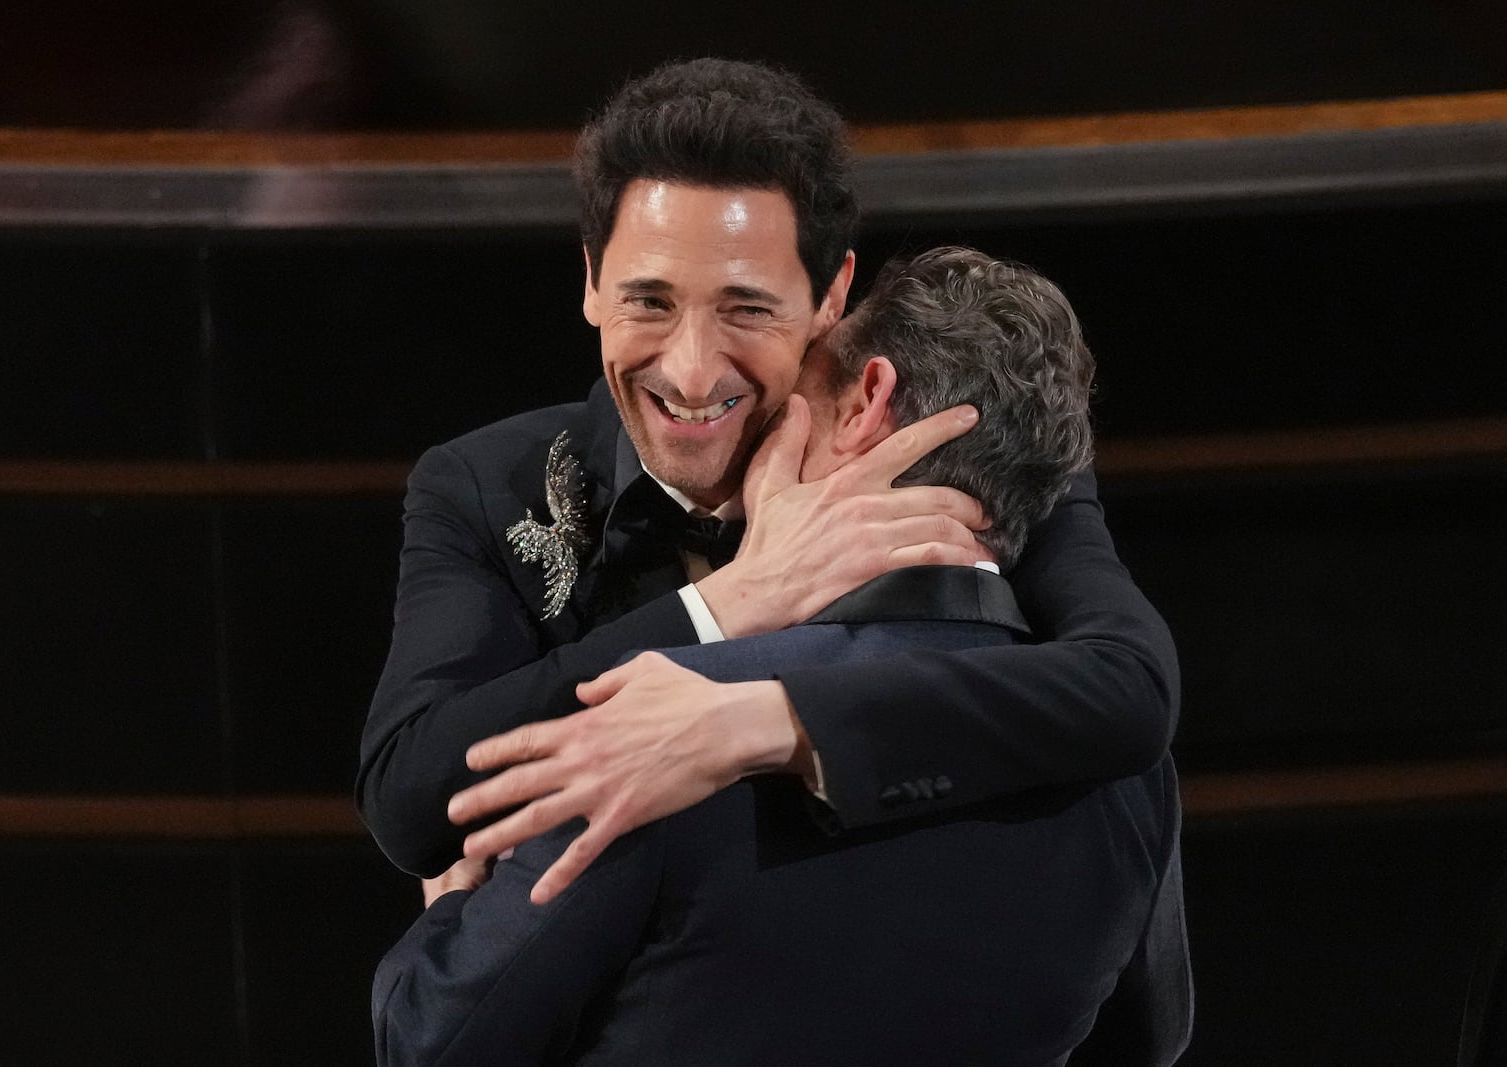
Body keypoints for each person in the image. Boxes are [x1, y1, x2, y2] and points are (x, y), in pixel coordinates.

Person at [358, 57, 1177, 906]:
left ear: (832, 296)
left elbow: (1130, 691)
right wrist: (732, 604)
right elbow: (412, 801)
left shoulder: (946, 451)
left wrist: (773, 722)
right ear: (593, 283)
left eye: (746, 309)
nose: (691, 371)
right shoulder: (484, 483)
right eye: (650, 301)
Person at [372, 247, 1191, 1066]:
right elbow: (1150, 1040)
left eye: (794, 390)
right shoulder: (1126, 769)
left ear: (867, 400)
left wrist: (450, 907)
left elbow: (434, 1043)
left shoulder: (660, 735)